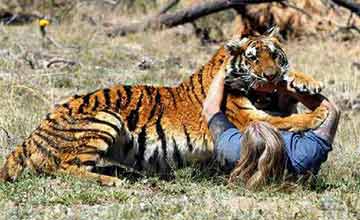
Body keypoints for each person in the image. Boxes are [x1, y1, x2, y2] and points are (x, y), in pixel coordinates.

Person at [202, 70, 341, 189]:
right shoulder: (301, 155)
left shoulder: (232, 149)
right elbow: (332, 111)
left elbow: (210, 109)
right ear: (278, 137)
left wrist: (224, 68)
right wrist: (285, 87)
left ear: (244, 144)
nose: (256, 123)